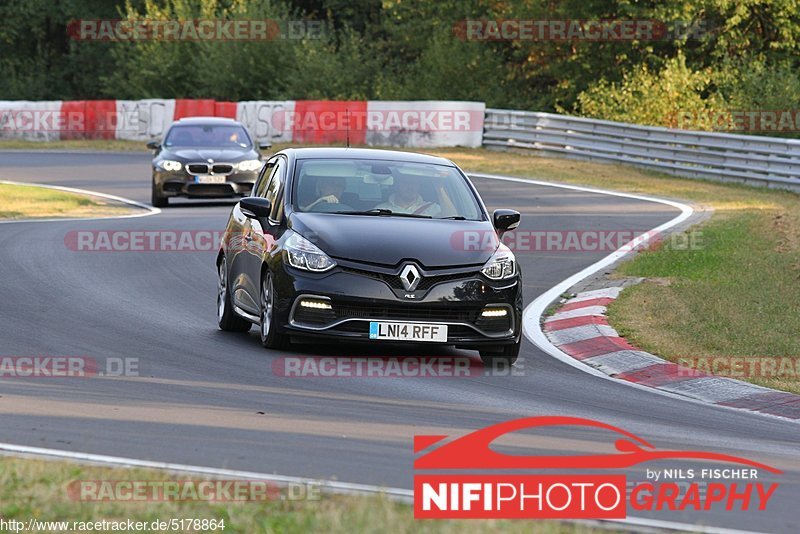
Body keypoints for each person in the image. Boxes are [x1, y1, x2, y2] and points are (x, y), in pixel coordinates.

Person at [377, 174, 456, 217]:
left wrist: (439, 188)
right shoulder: (381, 210)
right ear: (397, 186)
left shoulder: (433, 208)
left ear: (419, 186)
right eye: (405, 183)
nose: (410, 187)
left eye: (414, 183)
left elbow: (452, 217)